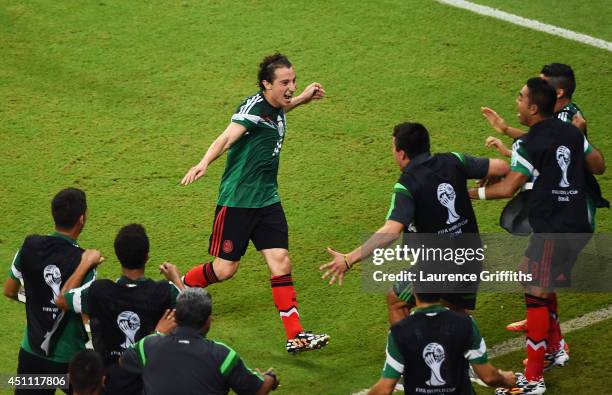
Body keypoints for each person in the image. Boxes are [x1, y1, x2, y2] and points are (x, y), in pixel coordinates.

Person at [180, 53, 329, 353]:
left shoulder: (277, 103)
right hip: (237, 201)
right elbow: (226, 138)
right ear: (266, 84)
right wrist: (204, 162)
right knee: (224, 270)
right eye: (285, 82)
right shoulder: (253, 108)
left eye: (293, 80)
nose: (290, 86)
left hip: (267, 200)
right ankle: (181, 285)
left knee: (281, 261)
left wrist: (303, 97)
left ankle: (295, 335)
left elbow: (283, 107)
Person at [468, 78, 605, 394]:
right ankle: (555, 349)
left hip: (556, 229)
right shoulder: (571, 132)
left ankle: (532, 380)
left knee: (536, 289)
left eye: (519, 98)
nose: (516, 102)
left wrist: (469, 195)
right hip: (575, 222)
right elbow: (598, 164)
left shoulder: (530, 143)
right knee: (533, 277)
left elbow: (508, 187)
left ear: (533, 107)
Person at [319, 122, 509, 323]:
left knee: (397, 301)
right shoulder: (454, 160)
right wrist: (486, 182)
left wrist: (349, 259)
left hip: (438, 264)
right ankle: (464, 338)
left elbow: (391, 230)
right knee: (455, 313)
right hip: (471, 258)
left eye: (393, 148)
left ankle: (405, 350)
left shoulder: (407, 185)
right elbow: (502, 167)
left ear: (402, 154)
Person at [56, 224, 184, 394]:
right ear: (147, 257)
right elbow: (195, 314)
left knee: (38, 381)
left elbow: (62, 299)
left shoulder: (98, 291)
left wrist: (85, 264)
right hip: (151, 383)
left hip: (110, 384)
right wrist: (176, 279)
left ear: (118, 256)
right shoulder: (165, 291)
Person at [3, 188, 103, 395]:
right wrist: (86, 263)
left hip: (31, 352)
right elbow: (74, 306)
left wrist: (35, 301)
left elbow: (9, 290)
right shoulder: (84, 261)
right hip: (70, 362)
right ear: (81, 219)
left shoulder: (29, 246)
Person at [120, 288, 279, 395]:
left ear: (175, 317)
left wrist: (158, 334)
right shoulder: (221, 355)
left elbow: (123, 361)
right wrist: (270, 378)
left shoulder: (148, 346)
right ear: (208, 321)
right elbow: (257, 390)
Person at [367, 286, 516, 395]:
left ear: (413, 290)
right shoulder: (466, 323)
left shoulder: (399, 332)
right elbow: (489, 377)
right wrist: (506, 380)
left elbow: (384, 389)